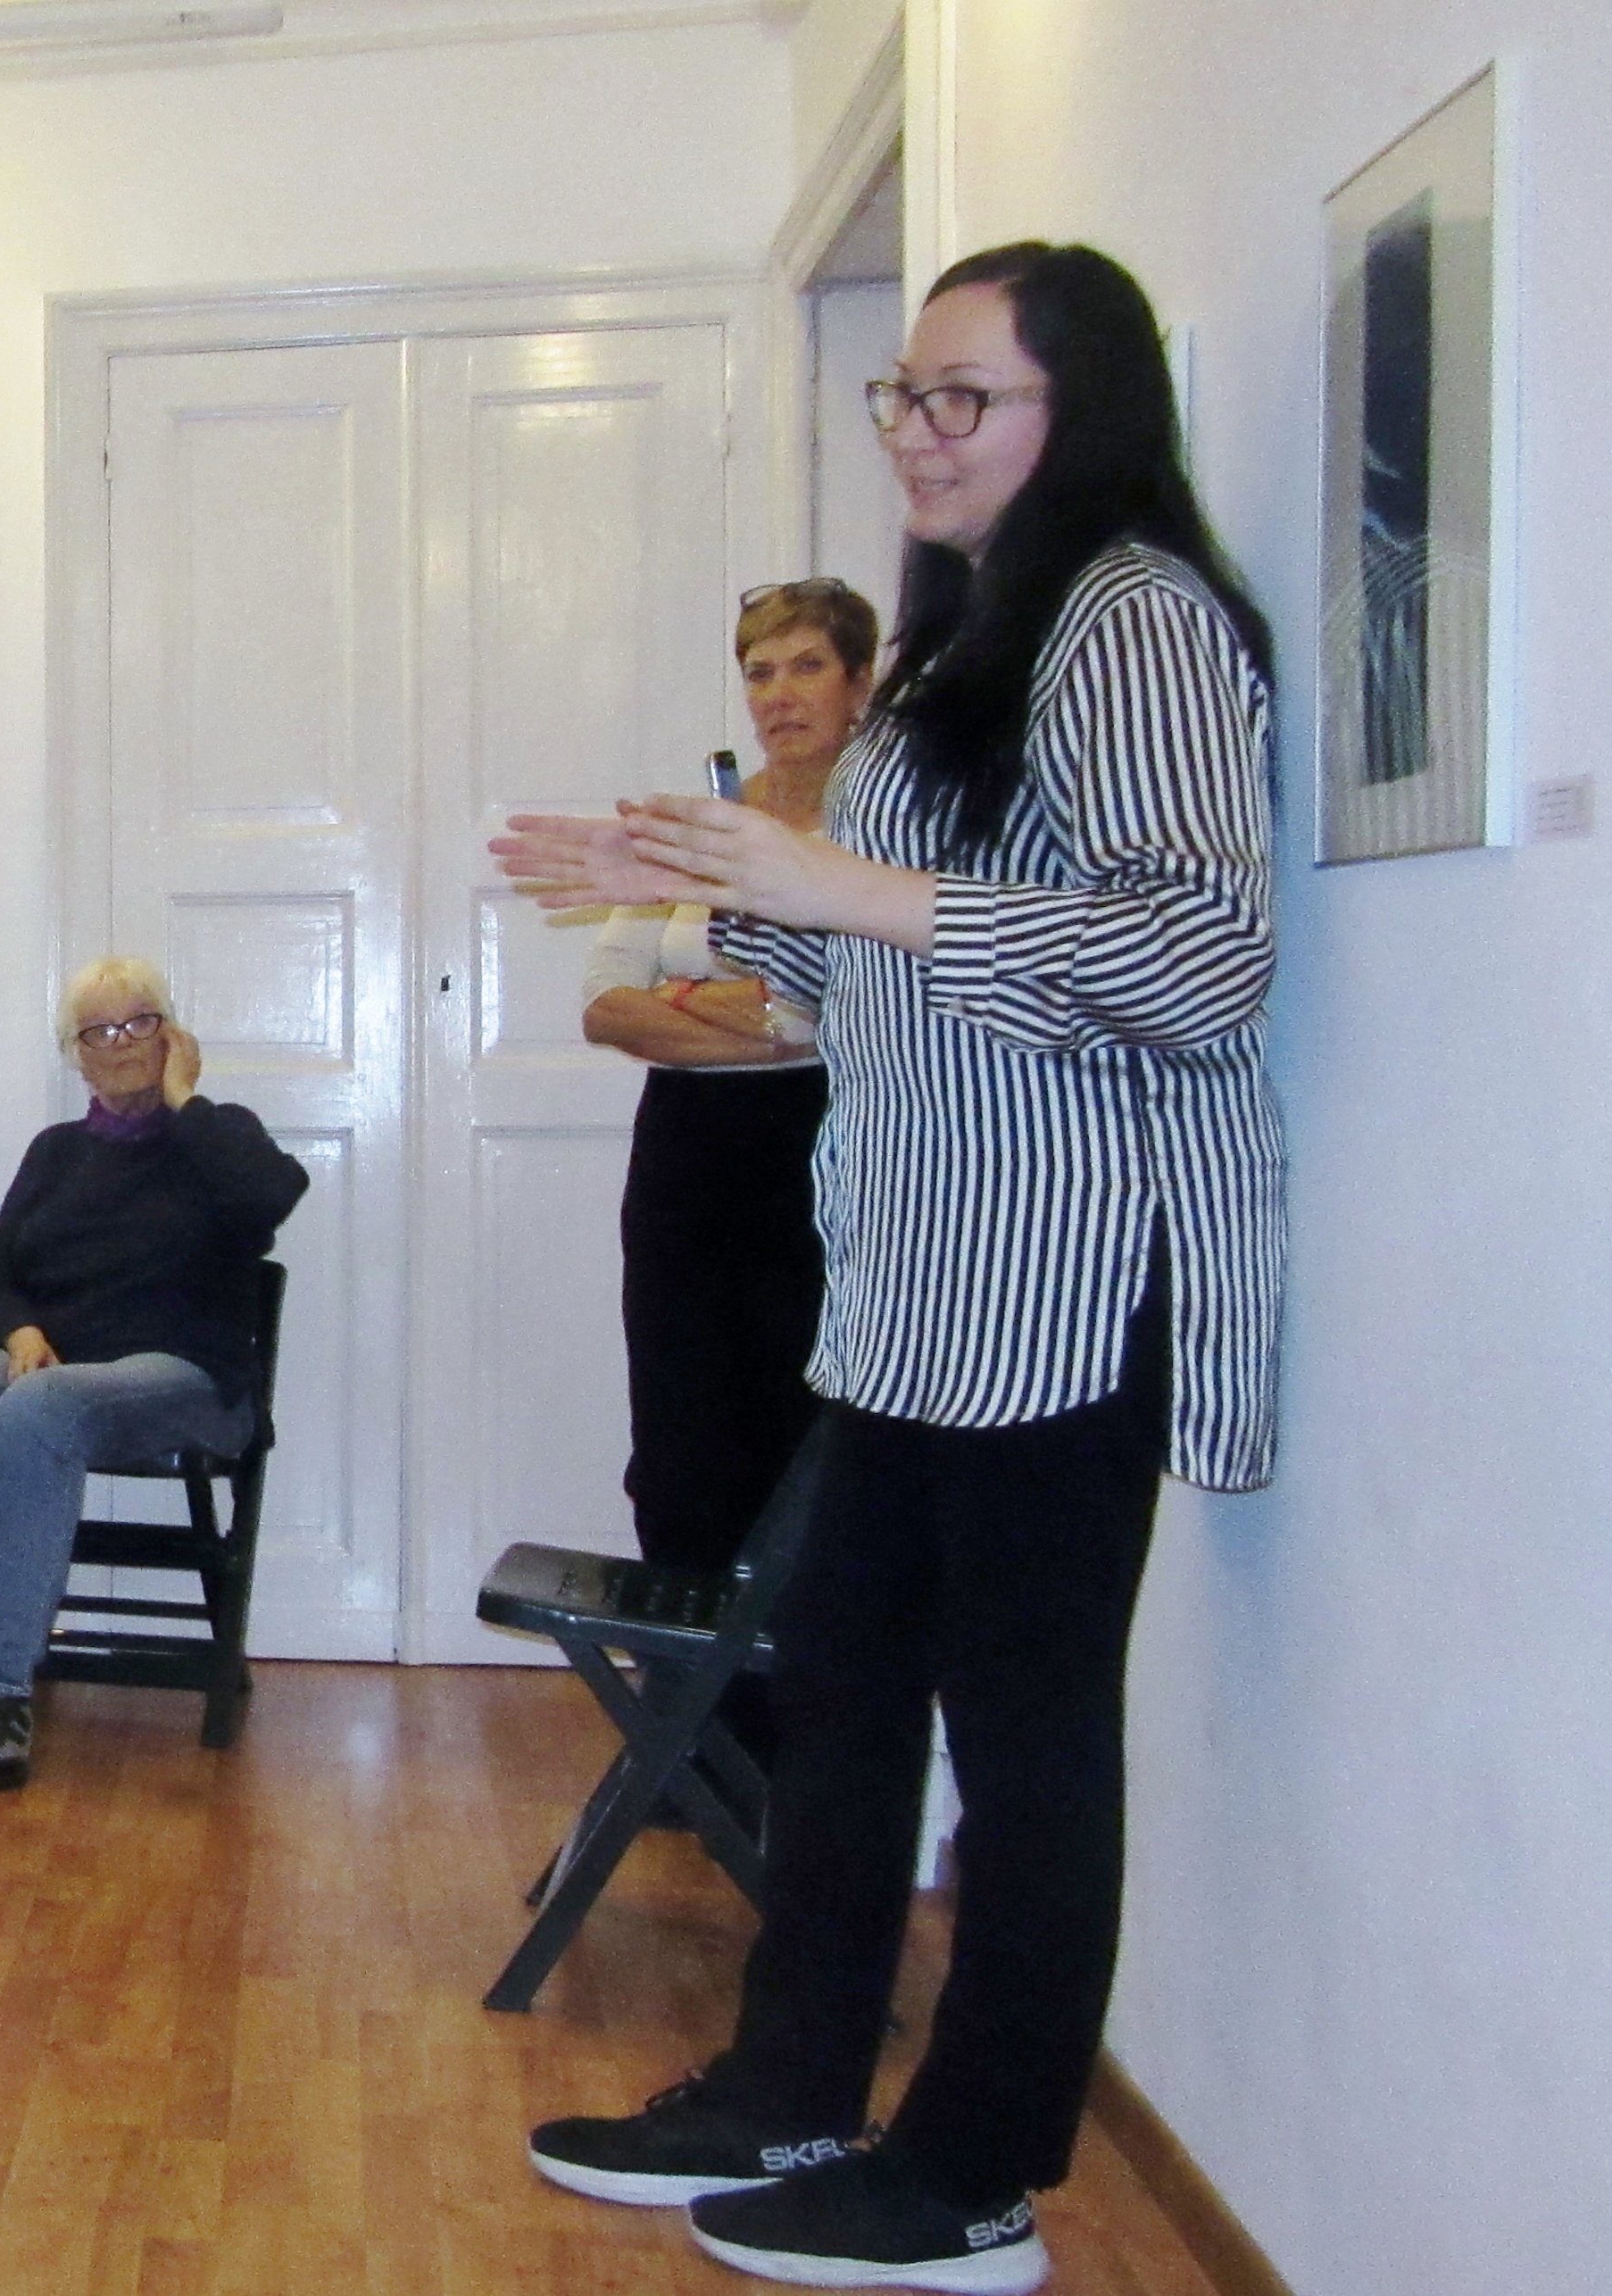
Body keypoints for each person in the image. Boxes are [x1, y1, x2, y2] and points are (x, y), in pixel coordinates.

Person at [494, 242, 1280, 2295]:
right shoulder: (961, 645)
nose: (916, 434)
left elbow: (1199, 953)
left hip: (1060, 1285)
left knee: (1025, 1748)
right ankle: (789, 2089)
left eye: (962, 397)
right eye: (902, 397)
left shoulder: (1136, 620)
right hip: (915, 1291)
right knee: (842, 1708)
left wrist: (841, 875)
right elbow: (878, 974)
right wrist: (708, 877)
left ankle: (970, 2180)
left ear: (1080, 408)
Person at [0, 957, 307, 1793]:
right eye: (98, 1031)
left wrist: (185, 1101)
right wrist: (21, 1328)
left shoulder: (217, 1136)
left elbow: (271, 1198)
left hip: (187, 1379)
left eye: (141, 1022)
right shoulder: (55, 1154)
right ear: (76, 1054)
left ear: (172, 1034)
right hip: (62, 1371)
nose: (122, 1043)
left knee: (41, 1406)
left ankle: (2, 1687)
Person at [580, 579, 882, 1776]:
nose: (779, 694)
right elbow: (607, 1005)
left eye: (807, 666)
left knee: (797, 1450)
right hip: (685, 1166)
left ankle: (797, 1755)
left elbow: (840, 1014)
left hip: (817, 1161)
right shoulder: (697, 833)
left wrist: (713, 1003)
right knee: (677, 1453)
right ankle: (693, 1749)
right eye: (760, 671)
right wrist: (752, 1014)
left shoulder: (876, 832)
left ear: (859, 685)